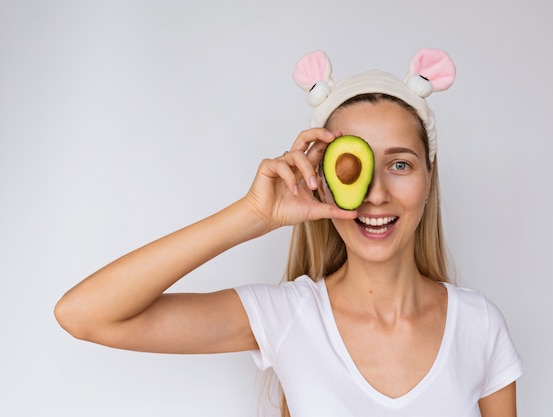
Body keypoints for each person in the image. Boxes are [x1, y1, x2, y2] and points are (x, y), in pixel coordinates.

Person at [55, 48, 524, 417]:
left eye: (400, 164)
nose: (376, 194)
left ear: (428, 179)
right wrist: (252, 214)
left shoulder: (479, 326)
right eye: (354, 168)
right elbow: (84, 314)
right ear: (322, 179)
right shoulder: (288, 317)